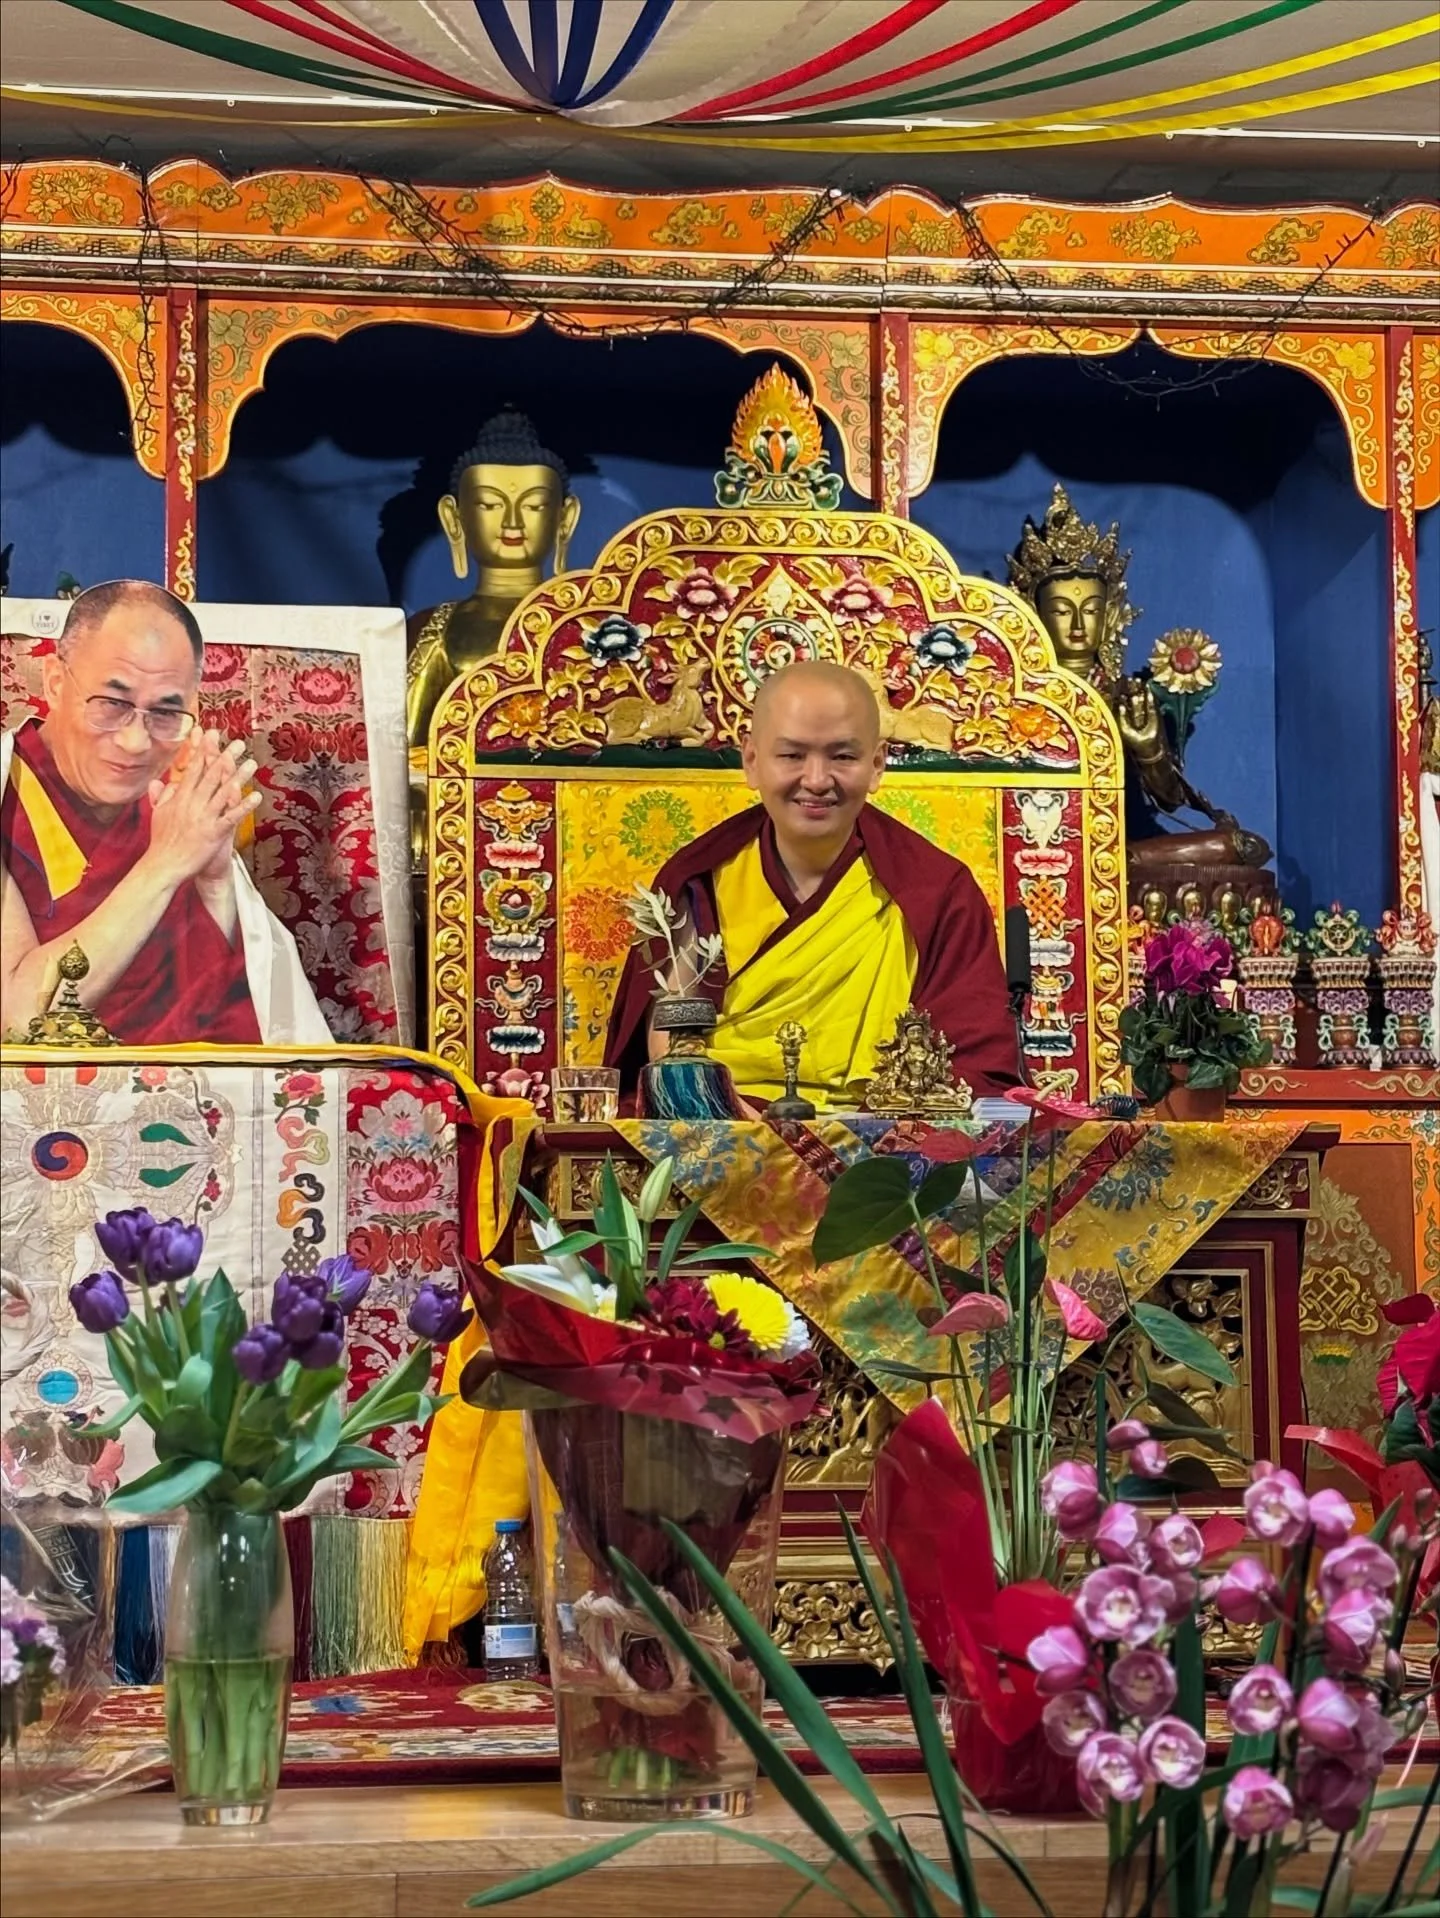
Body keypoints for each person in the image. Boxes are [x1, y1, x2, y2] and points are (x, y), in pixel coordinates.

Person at [605, 659, 1019, 1106]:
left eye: (842, 756)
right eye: (792, 755)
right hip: (727, 1132)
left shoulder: (937, 890)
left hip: (884, 1144)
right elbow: (671, 1056)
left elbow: (971, 1072)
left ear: (877, 765)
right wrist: (741, 1129)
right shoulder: (697, 878)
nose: (817, 780)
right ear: (752, 762)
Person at [1, 579, 330, 1044]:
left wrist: (213, 882)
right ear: (56, 683)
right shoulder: (5, 794)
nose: (135, 742)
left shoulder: (173, 808)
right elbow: (17, 1019)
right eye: (112, 704)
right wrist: (164, 865)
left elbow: (230, 1023)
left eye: (164, 713)